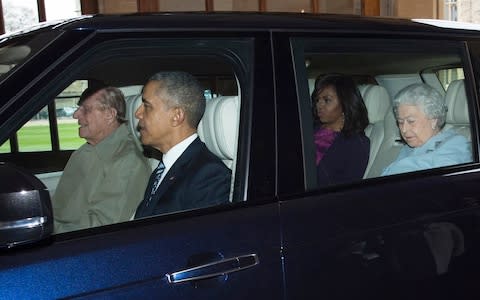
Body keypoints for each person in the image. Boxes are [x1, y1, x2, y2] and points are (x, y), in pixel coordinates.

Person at [53, 86, 151, 233]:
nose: (75, 115)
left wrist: (46, 230)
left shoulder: (128, 162)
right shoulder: (84, 151)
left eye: (86, 109)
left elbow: (100, 230)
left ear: (110, 115)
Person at [133, 71, 231, 219]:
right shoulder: (162, 169)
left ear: (176, 116)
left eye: (147, 106)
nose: (137, 113)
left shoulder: (209, 176)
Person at [382, 83, 472, 176]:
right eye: (400, 122)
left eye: (411, 121)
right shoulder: (408, 148)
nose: (404, 129)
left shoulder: (455, 145)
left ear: (433, 120)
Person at [311, 73, 370, 187]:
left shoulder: (356, 144)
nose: (319, 105)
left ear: (345, 103)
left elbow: (345, 191)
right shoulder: (308, 128)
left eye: (327, 100)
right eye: (317, 100)